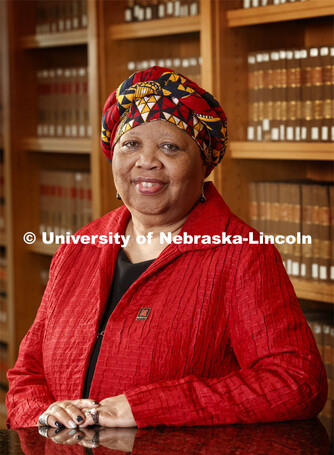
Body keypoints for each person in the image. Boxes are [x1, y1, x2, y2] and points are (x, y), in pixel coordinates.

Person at [6, 66, 327, 430]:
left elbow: (297, 382)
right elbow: (26, 376)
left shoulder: (242, 254)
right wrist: (44, 415)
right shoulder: (79, 247)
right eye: (131, 144)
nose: (147, 161)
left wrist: (143, 409)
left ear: (204, 162)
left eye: (170, 147)